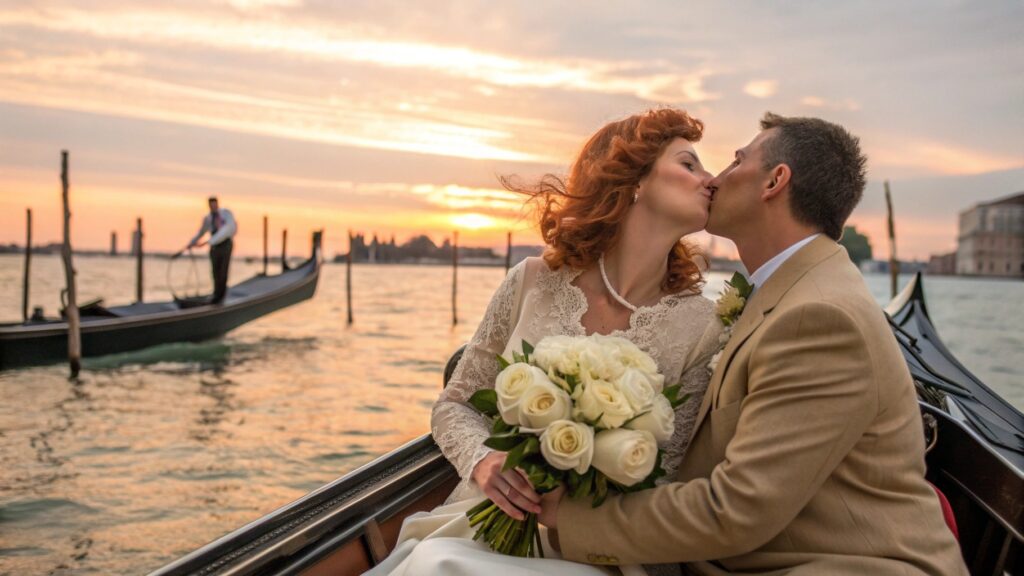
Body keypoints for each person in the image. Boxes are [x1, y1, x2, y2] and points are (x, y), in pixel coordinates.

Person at [540, 113, 968, 575]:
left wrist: (568, 519)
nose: (714, 179)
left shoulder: (821, 317)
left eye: (736, 161)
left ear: (774, 181)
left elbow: (737, 509)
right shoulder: (791, 292)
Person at [364, 108, 723, 576]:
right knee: (439, 562)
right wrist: (484, 461)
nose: (711, 180)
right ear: (633, 180)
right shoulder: (533, 281)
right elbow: (455, 404)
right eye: (689, 164)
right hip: (484, 520)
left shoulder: (703, 325)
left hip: (597, 551)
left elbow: (668, 473)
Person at [187, 196, 237, 304]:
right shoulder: (208, 218)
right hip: (214, 247)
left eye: (214, 204)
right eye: (211, 205)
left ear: (217, 204)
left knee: (223, 271)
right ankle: (216, 293)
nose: (213, 207)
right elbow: (201, 232)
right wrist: (191, 243)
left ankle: (220, 296)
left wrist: (208, 242)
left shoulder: (226, 214)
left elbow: (227, 230)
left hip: (225, 244)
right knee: (215, 271)